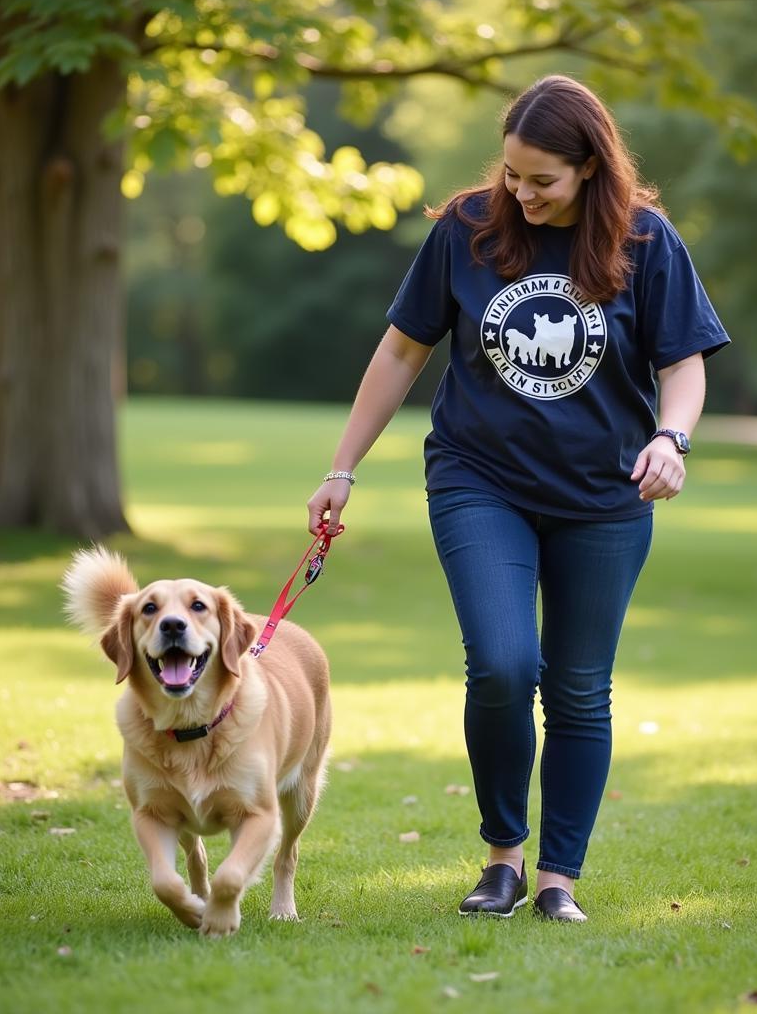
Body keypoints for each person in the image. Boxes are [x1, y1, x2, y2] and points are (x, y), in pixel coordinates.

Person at [306, 74, 729, 923]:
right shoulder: (469, 228)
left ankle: (557, 879)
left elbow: (684, 364)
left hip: (604, 496)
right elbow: (400, 352)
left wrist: (670, 440)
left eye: (542, 180)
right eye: (511, 174)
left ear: (588, 169)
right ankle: (502, 856)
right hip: (478, 478)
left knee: (578, 687)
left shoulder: (646, 241)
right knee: (502, 664)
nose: (522, 194)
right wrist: (342, 466)